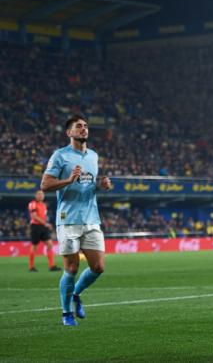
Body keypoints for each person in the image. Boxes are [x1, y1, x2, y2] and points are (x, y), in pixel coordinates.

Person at [41, 114, 112, 326]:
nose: (83, 129)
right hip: (68, 219)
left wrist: (101, 185)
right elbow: (45, 185)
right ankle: (66, 313)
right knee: (71, 269)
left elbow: (88, 185)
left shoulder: (93, 156)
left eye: (86, 126)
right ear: (69, 132)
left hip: (91, 218)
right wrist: (68, 180)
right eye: (78, 126)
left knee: (98, 267)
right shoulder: (60, 156)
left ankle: (75, 294)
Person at [28, 190, 61, 272]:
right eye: (38, 194)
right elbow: (34, 216)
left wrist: (45, 224)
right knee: (34, 246)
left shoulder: (43, 205)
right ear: (35, 195)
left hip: (43, 226)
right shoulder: (32, 204)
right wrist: (45, 223)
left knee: (50, 244)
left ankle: (51, 266)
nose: (40, 196)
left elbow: (43, 216)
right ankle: (31, 267)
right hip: (35, 226)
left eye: (42, 194)